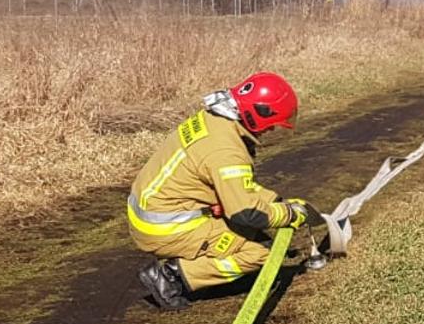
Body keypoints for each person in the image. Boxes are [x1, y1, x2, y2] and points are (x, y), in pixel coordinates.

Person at [130, 71, 321, 310]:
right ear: (258, 113)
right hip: (166, 226)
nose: (271, 131)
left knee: (253, 232)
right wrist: (290, 215)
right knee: (262, 253)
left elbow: (234, 187)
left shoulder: (214, 120)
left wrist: (276, 200)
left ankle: (192, 262)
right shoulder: (227, 151)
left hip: (154, 210)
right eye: (271, 124)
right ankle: (173, 276)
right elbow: (246, 213)